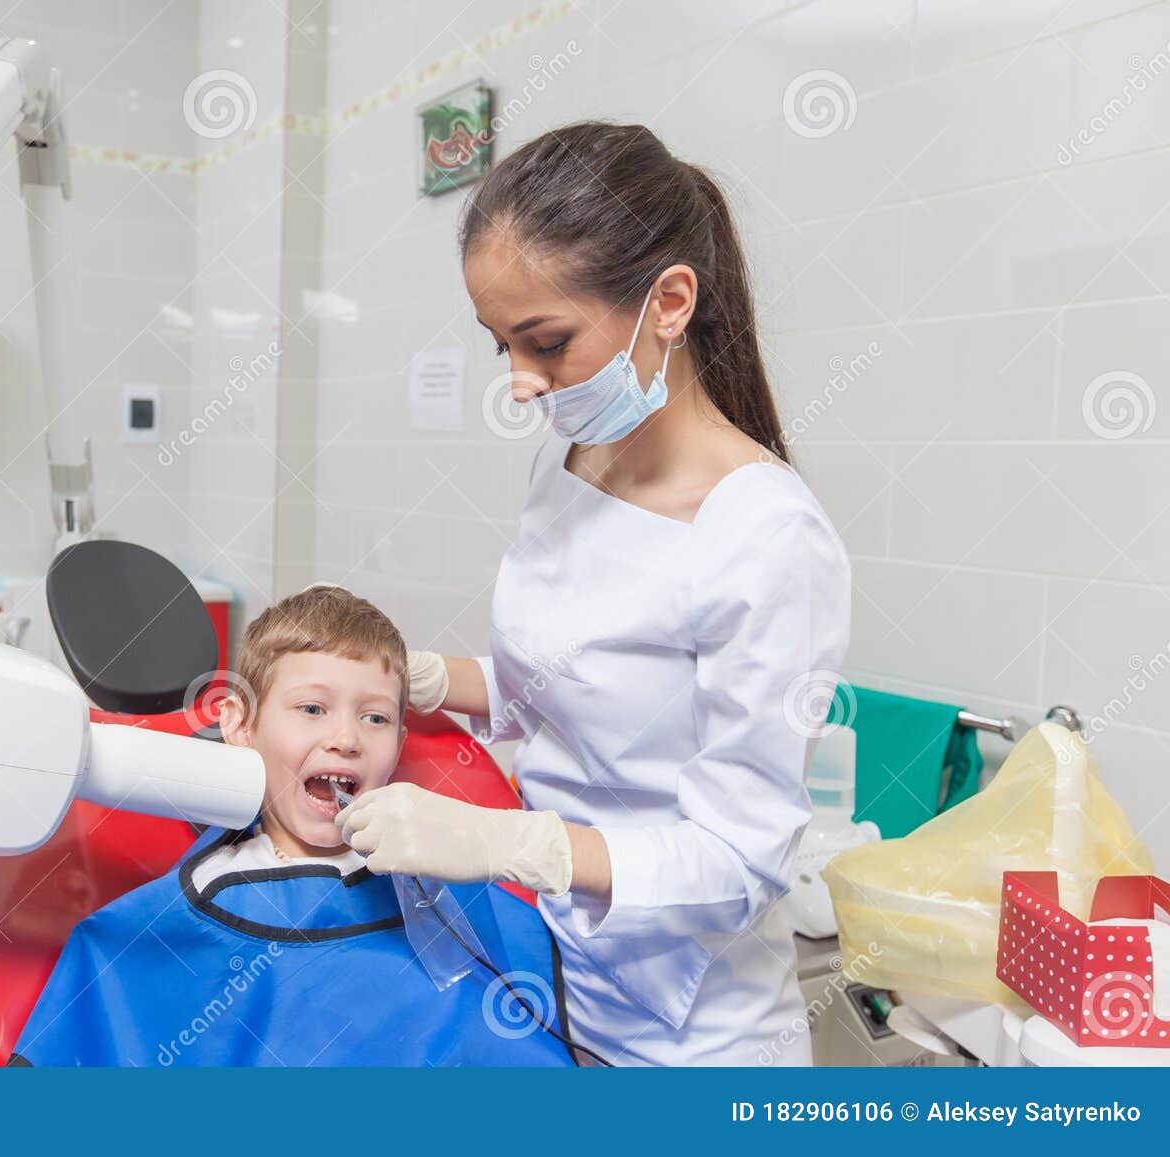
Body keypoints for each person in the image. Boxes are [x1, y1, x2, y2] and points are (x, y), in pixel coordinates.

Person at [336, 122, 852, 1066]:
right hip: (541, 971)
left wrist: (515, 844)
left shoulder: (766, 535)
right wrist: (412, 677)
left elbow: (741, 861)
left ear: (670, 301)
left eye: (548, 342)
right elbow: (573, 687)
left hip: (687, 1036)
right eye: (503, 348)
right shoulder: (572, 459)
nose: (524, 384)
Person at [10, 586, 577, 1067]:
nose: (346, 738)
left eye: (375, 717)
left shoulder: (439, 876)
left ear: (400, 744)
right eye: (312, 709)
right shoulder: (196, 905)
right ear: (238, 723)